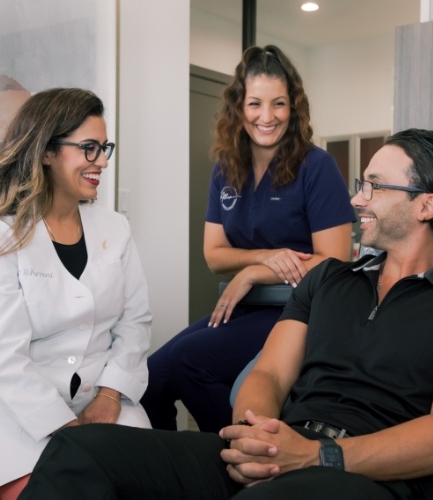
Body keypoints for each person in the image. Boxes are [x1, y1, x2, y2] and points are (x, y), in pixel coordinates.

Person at [19, 128, 433, 500]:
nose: (358, 200)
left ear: (426, 205)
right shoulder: (328, 279)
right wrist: (259, 436)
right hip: (281, 447)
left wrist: (317, 456)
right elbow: (266, 374)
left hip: (361, 475)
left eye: (374, 186)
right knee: (81, 448)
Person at [141, 45, 356, 432]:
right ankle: (175, 471)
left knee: (190, 361)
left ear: (294, 108)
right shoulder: (226, 169)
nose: (267, 116)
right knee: (150, 379)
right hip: (244, 307)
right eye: (255, 103)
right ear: (239, 107)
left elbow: (335, 260)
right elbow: (214, 255)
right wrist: (265, 259)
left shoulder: (316, 166)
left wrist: (255, 273)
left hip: (299, 312)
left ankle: (240, 462)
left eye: (279, 104)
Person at [0, 88, 152, 499]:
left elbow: (136, 323)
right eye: (89, 149)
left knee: (150, 484)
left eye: (104, 148)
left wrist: (110, 395)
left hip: (105, 403)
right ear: (46, 153)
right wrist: (67, 431)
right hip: (19, 414)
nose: (103, 162)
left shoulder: (114, 229)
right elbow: (5, 357)